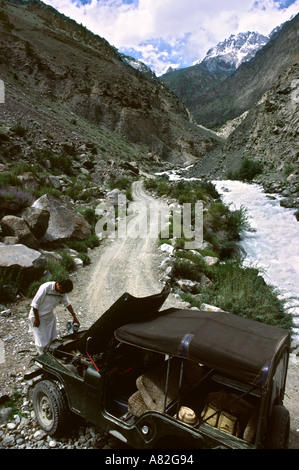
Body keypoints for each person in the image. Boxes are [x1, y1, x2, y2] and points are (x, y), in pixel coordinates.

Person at [28, 279, 80, 354]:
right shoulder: (46, 287)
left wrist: (74, 316)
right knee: (41, 340)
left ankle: (51, 353)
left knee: (53, 338)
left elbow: (67, 304)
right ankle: (42, 356)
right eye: (63, 291)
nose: (63, 293)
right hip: (37, 316)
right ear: (59, 285)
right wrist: (36, 318)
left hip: (49, 316)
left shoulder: (62, 291)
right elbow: (34, 305)